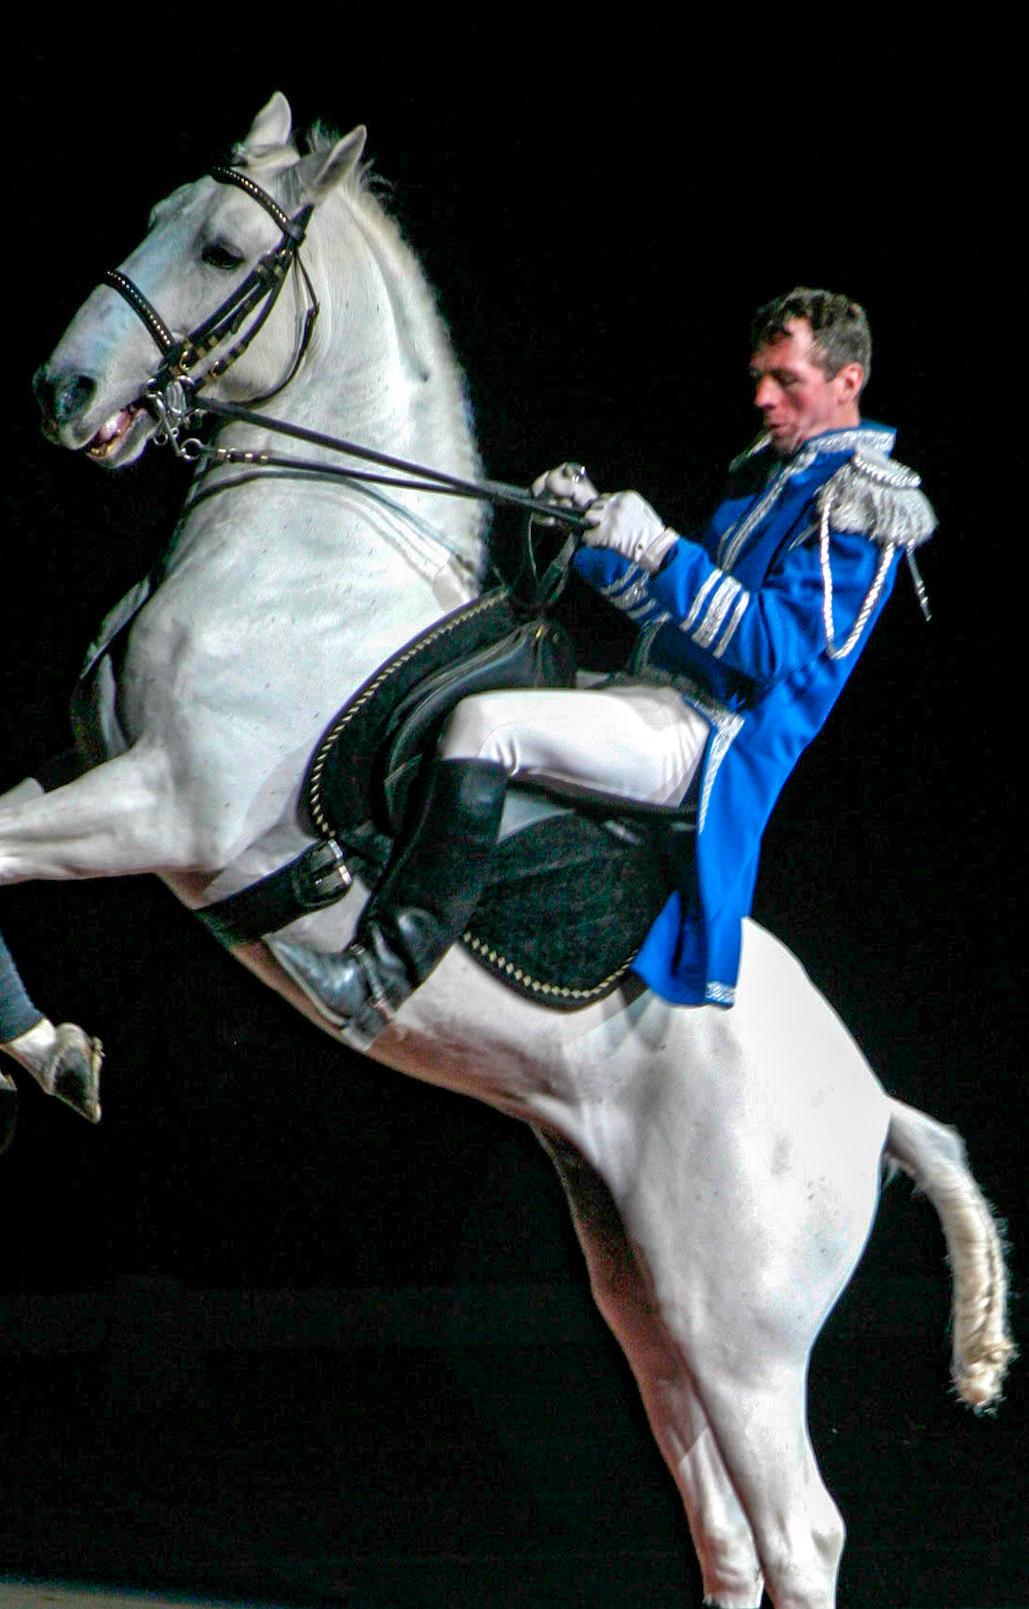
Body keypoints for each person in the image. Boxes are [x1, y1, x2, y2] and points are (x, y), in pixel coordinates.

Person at [271, 287, 935, 1044]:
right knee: (477, 677)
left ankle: (377, 979)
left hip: (714, 738)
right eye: (760, 376)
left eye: (787, 380)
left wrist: (659, 548)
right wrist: (595, 539)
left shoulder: (860, 504)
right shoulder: (768, 472)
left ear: (848, 380)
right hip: (655, 696)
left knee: (486, 725)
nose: (762, 398)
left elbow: (767, 648)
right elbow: (679, 620)